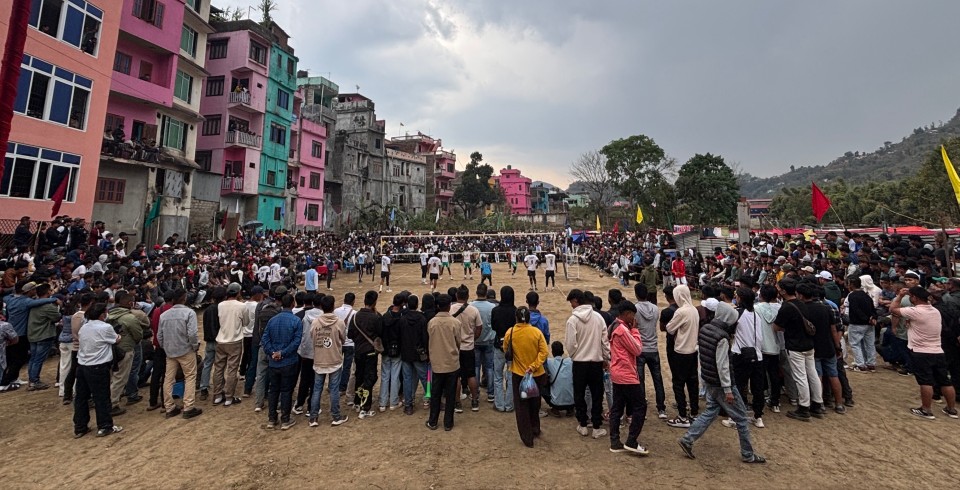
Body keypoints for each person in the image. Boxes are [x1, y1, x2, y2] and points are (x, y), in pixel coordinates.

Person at [678, 301, 766, 464]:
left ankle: (688, 439)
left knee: (711, 410)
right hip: (721, 383)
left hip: (709, 379)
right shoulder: (722, 338)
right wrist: (728, 390)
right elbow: (723, 365)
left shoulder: (705, 329)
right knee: (741, 418)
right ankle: (748, 454)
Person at [891, 286, 959, 419]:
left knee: (925, 381)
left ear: (914, 298)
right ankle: (951, 409)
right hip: (938, 350)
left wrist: (899, 296)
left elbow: (893, 309)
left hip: (920, 351)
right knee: (945, 381)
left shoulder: (915, 311)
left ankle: (926, 409)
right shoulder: (935, 311)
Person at [773, 279, 823, 421]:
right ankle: (817, 404)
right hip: (808, 343)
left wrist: (784, 327)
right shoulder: (803, 304)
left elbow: (776, 327)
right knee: (812, 373)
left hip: (795, 345)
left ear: (783, 291)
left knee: (800, 376)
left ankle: (804, 407)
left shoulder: (786, 307)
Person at [566, 289, 610, 439]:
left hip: (579, 362)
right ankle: (597, 426)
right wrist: (606, 358)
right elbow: (605, 341)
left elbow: (571, 344)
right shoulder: (598, 318)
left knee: (579, 394)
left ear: (577, 301)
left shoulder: (572, 320)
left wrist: (574, 355)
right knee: (597, 394)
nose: (571, 305)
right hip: (596, 361)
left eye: (571, 302)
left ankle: (583, 424)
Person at [73, 303, 123, 438]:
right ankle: (105, 426)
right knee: (101, 397)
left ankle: (80, 427)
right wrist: (118, 335)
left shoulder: (84, 327)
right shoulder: (105, 327)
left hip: (82, 364)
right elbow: (116, 340)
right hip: (98, 365)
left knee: (81, 398)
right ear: (102, 314)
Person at [606, 302, 650, 455]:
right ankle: (631, 440)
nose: (634, 318)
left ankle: (615, 441)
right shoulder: (622, 329)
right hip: (626, 373)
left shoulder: (614, 326)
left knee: (617, 407)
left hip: (617, 371)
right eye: (633, 314)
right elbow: (637, 349)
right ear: (626, 314)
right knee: (640, 406)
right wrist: (636, 330)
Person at [722, 288, 767, 429]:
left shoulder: (738, 313)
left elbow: (729, 328)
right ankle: (758, 416)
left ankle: (734, 417)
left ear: (740, 298)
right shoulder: (756, 314)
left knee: (739, 386)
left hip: (740, 353)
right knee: (757, 387)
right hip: (757, 354)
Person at [506, 306, 549, 447]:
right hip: (536, 374)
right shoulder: (536, 332)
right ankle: (535, 428)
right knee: (535, 403)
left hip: (519, 374)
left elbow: (506, 349)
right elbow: (544, 352)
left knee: (521, 406)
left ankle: (527, 436)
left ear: (516, 318)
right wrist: (534, 365)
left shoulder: (511, 332)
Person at [157, 289, 203, 419]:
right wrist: (195, 347)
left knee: (168, 379)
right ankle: (188, 407)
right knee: (190, 377)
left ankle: (169, 407)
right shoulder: (189, 313)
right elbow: (192, 334)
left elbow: (159, 335)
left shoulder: (164, 315)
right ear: (184, 298)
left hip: (170, 351)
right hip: (186, 350)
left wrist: (165, 347)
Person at [260, 294, 302, 430]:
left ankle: (272, 419)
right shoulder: (296, 321)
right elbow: (296, 342)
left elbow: (265, 339)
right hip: (289, 361)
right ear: (293, 304)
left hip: (274, 362)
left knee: (274, 390)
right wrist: (282, 353)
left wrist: (272, 352)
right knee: (286, 390)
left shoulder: (272, 320)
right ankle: (285, 419)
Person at [308, 294, 348, 426]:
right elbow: (343, 339)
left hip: (319, 359)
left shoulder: (315, 322)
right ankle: (336, 416)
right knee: (334, 389)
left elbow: (312, 337)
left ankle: (313, 417)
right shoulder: (339, 322)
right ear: (333, 307)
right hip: (334, 359)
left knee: (317, 389)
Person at [665, 284, 700, 427]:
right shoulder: (694, 310)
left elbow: (669, 328)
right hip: (693, 350)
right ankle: (694, 413)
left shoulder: (681, 312)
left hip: (681, 351)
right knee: (693, 383)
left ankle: (682, 416)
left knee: (678, 384)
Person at [105, 291, 145, 413]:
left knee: (111, 377)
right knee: (120, 377)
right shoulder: (130, 317)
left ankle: (109, 400)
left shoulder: (108, 315)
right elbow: (138, 335)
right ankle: (113, 404)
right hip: (125, 349)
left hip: (109, 350)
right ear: (129, 303)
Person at [426, 294, 461, 431]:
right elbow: (458, 342)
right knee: (450, 394)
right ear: (449, 306)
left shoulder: (432, 322)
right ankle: (448, 422)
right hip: (451, 362)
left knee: (435, 393)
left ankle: (433, 421)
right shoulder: (455, 323)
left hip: (437, 363)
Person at [634, 284, 666, 419]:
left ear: (636, 294)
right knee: (657, 379)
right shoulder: (655, 308)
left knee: (640, 379)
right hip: (653, 347)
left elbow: (634, 326)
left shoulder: (635, 309)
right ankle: (661, 408)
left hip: (640, 348)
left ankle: (641, 407)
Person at [349, 291, 382, 419]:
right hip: (370, 351)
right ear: (374, 302)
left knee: (359, 376)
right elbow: (380, 333)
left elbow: (350, 334)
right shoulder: (376, 317)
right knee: (369, 377)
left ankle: (357, 401)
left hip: (358, 350)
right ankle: (365, 407)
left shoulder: (356, 316)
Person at [214, 283, 247, 406]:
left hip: (221, 339)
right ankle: (229, 396)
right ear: (238, 293)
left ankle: (217, 395)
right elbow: (246, 322)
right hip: (235, 340)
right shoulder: (241, 306)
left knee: (218, 368)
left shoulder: (220, 305)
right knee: (232, 369)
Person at [452, 285, 482, 412]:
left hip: (455, 347)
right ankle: (474, 401)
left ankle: (457, 402)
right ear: (468, 296)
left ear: (456, 296)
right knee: (471, 375)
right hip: (469, 346)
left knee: (456, 376)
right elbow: (479, 328)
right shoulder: (473, 310)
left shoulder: (451, 309)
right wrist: (472, 339)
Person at [26, 283, 61, 391]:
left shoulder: (33, 304)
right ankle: (35, 381)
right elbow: (57, 317)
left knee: (33, 359)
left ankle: (32, 380)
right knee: (38, 359)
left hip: (33, 334)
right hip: (43, 335)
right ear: (48, 292)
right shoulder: (48, 306)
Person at [400, 294, 430, 415]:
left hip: (406, 352)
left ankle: (408, 404)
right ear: (417, 305)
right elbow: (425, 337)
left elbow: (400, 336)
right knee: (424, 378)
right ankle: (431, 398)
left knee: (407, 379)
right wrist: (426, 351)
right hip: (419, 353)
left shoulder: (403, 319)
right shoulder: (422, 319)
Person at [491, 286, 517, 412]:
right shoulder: (515, 311)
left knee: (498, 375)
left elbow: (494, 326)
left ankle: (499, 403)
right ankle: (509, 404)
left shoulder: (496, 310)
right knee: (511, 375)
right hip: (512, 347)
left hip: (498, 344)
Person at [378, 294, 404, 412]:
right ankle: (393, 401)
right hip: (397, 349)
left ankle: (382, 403)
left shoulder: (385, 316)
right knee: (395, 376)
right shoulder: (401, 318)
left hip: (386, 349)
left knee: (384, 376)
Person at [845, 276, 877, 372]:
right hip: (869, 324)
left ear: (850, 284)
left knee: (855, 344)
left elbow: (856, 310)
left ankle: (860, 365)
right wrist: (873, 318)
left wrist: (866, 319)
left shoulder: (852, 295)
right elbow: (873, 308)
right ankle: (871, 364)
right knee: (870, 344)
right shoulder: (866, 294)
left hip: (857, 323)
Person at [199, 287, 224, 401]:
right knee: (220, 366)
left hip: (209, 340)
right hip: (219, 340)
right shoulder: (221, 309)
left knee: (207, 364)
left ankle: (204, 387)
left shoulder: (207, 310)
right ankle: (219, 387)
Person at [472, 284, 496, 402]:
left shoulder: (471, 306)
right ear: (486, 293)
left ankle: (475, 392)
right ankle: (491, 393)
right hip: (488, 340)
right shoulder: (492, 307)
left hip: (476, 340)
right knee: (489, 367)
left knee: (476, 367)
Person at [543, 341, 574, 416]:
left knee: (542, 386)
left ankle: (555, 409)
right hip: (572, 402)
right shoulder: (570, 361)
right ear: (563, 352)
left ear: (552, 352)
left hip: (556, 403)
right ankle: (570, 410)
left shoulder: (549, 362)